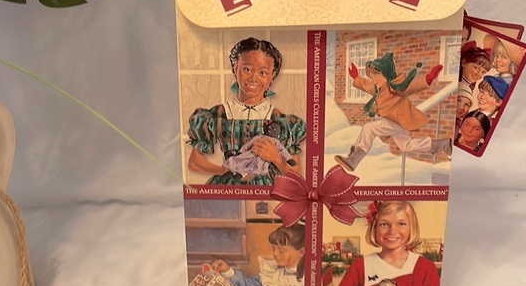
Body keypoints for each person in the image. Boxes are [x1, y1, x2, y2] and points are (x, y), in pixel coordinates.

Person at [187, 38, 306, 185]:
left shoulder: (282, 121)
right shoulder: (217, 115)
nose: (253, 78)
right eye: (247, 69)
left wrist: (276, 158)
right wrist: (226, 171)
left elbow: (296, 175)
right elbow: (194, 162)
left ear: (273, 75)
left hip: (267, 190)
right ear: (235, 67)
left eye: (263, 73)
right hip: (229, 188)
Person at [334, 52, 452, 173]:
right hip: (395, 122)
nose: (373, 80)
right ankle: (442, 144)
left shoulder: (397, 88)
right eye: (371, 76)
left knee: (369, 128)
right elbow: (365, 85)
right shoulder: (378, 89)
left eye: (376, 76)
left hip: (397, 121)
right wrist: (356, 77)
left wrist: (429, 78)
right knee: (406, 145)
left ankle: (354, 159)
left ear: (386, 75)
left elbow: (413, 86)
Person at [331, 201, 440, 286]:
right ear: (374, 228)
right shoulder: (360, 266)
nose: (392, 231)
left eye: (401, 224)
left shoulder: (425, 266)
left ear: (412, 228)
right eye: (384, 224)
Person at [212, 224, 305, 286]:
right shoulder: (272, 277)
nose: (275, 253)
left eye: (281, 250)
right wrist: (227, 270)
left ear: (301, 252)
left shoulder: (309, 279)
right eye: (273, 249)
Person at [222, 121, 296, 181]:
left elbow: (282, 151)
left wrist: (289, 159)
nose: (270, 130)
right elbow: (249, 144)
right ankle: (232, 171)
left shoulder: (276, 142)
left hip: (262, 160)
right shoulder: (259, 137)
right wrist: (241, 151)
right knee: (240, 161)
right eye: (270, 127)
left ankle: (240, 174)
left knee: (253, 168)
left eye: (274, 129)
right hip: (251, 154)